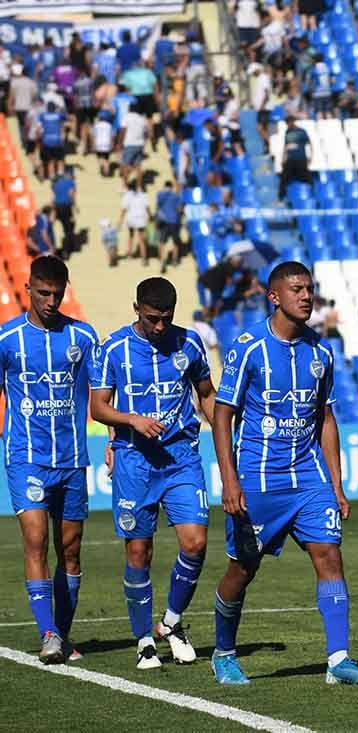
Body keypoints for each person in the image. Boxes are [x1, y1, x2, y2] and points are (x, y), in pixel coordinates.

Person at [210, 261, 358, 686]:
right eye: (297, 289)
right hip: (258, 478)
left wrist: (337, 484)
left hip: (309, 477)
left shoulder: (321, 352)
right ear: (274, 296)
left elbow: (326, 419)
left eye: (309, 289)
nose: (306, 296)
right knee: (242, 570)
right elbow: (222, 414)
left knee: (330, 555)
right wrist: (229, 480)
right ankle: (224, 652)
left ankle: (338, 659)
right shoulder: (248, 347)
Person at [89, 278, 216, 669]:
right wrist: (131, 420)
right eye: (152, 318)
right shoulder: (112, 349)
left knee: (195, 543)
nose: (160, 326)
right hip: (134, 460)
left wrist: (228, 447)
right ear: (136, 309)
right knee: (139, 551)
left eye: (166, 319)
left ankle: (171, 623)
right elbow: (98, 407)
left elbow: (207, 394)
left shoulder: (189, 343)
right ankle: (144, 638)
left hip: (181, 457)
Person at [0, 255, 99, 663]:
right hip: (26, 457)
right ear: (28, 289)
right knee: (36, 539)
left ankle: (62, 631)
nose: (51, 301)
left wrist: (112, 438)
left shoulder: (84, 337)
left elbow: (104, 392)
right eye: (43, 293)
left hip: (73, 458)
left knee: (70, 550)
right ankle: (47, 633)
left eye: (57, 294)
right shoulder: (7, 340)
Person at [278, 114, 313, 201]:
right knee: (284, 178)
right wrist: (283, 158)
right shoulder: (287, 132)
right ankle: (281, 197)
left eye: (289, 122)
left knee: (307, 178)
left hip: (300, 158)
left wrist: (310, 157)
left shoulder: (301, 131)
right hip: (290, 160)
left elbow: (309, 144)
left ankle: (312, 195)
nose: (288, 124)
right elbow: (285, 146)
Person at [155, 180, 184, 274]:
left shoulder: (160, 194)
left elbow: (158, 206)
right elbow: (179, 209)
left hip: (163, 221)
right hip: (174, 221)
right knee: (175, 242)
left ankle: (162, 260)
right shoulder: (176, 196)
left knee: (162, 242)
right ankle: (175, 260)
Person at [119, 179, 150, 265]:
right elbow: (147, 207)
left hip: (131, 219)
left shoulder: (127, 196)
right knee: (142, 239)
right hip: (141, 219)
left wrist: (120, 221)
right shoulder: (143, 195)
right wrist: (151, 217)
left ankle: (129, 254)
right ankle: (144, 258)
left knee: (131, 236)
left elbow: (124, 209)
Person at [118, 105, 149, 183]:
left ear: (129, 109)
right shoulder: (142, 119)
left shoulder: (126, 117)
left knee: (125, 165)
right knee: (138, 166)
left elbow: (123, 131)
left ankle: (125, 186)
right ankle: (139, 187)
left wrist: (120, 143)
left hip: (129, 144)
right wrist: (143, 142)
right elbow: (146, 133)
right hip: (140, 144)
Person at [51, 168, 77, 259]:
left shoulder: (57, 183)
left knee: (57, 228)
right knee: (68, 229)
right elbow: (71, 195)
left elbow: (53, 197)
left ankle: (58, 249)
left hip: (57, 207)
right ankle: (67, 251)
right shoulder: (71, 183)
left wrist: (53, 210)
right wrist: (75, 206)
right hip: (66, 207)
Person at [39, 101, 67, 181]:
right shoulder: (58, 115)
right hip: (57, 140)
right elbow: (65, 117)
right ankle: (60, 173)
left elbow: (39, 128)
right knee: (60, 159)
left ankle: (52, 175)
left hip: (46, 140)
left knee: (50, 160)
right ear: (55, 108)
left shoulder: (42, 116)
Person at [308, 51, 334, 120]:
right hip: (327, 92)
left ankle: (320, 127)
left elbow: (310, 82)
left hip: (317, 93)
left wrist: (310, 90)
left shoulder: (313, 69)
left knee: (319, 112)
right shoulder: (328, 67)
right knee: (328, 111)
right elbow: (333, 80)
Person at [93, 109, 114, 177]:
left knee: (99, 157)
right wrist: (112, 144)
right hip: (107, 144)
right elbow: (112, 136)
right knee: (106, 158)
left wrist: (94, 145)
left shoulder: (96, 125)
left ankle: (101, 166)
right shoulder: (109, 126)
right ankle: (107, 172)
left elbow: (94, 136)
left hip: (98, 144)